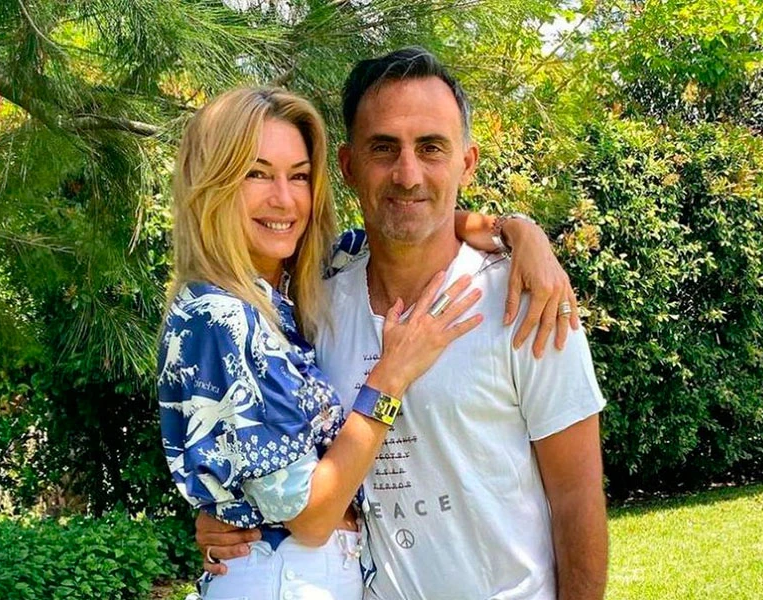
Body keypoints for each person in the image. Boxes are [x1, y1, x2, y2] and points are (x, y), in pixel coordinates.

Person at [197, 48, 608, 600]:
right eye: (384, 148)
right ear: (348, 166)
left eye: (431, 147)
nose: (408, 174)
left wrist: (518, 228)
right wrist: (236, 517)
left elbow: (578, 499)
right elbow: (286, 461)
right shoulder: (312, 301)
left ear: (467, 162)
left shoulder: (525, 299)